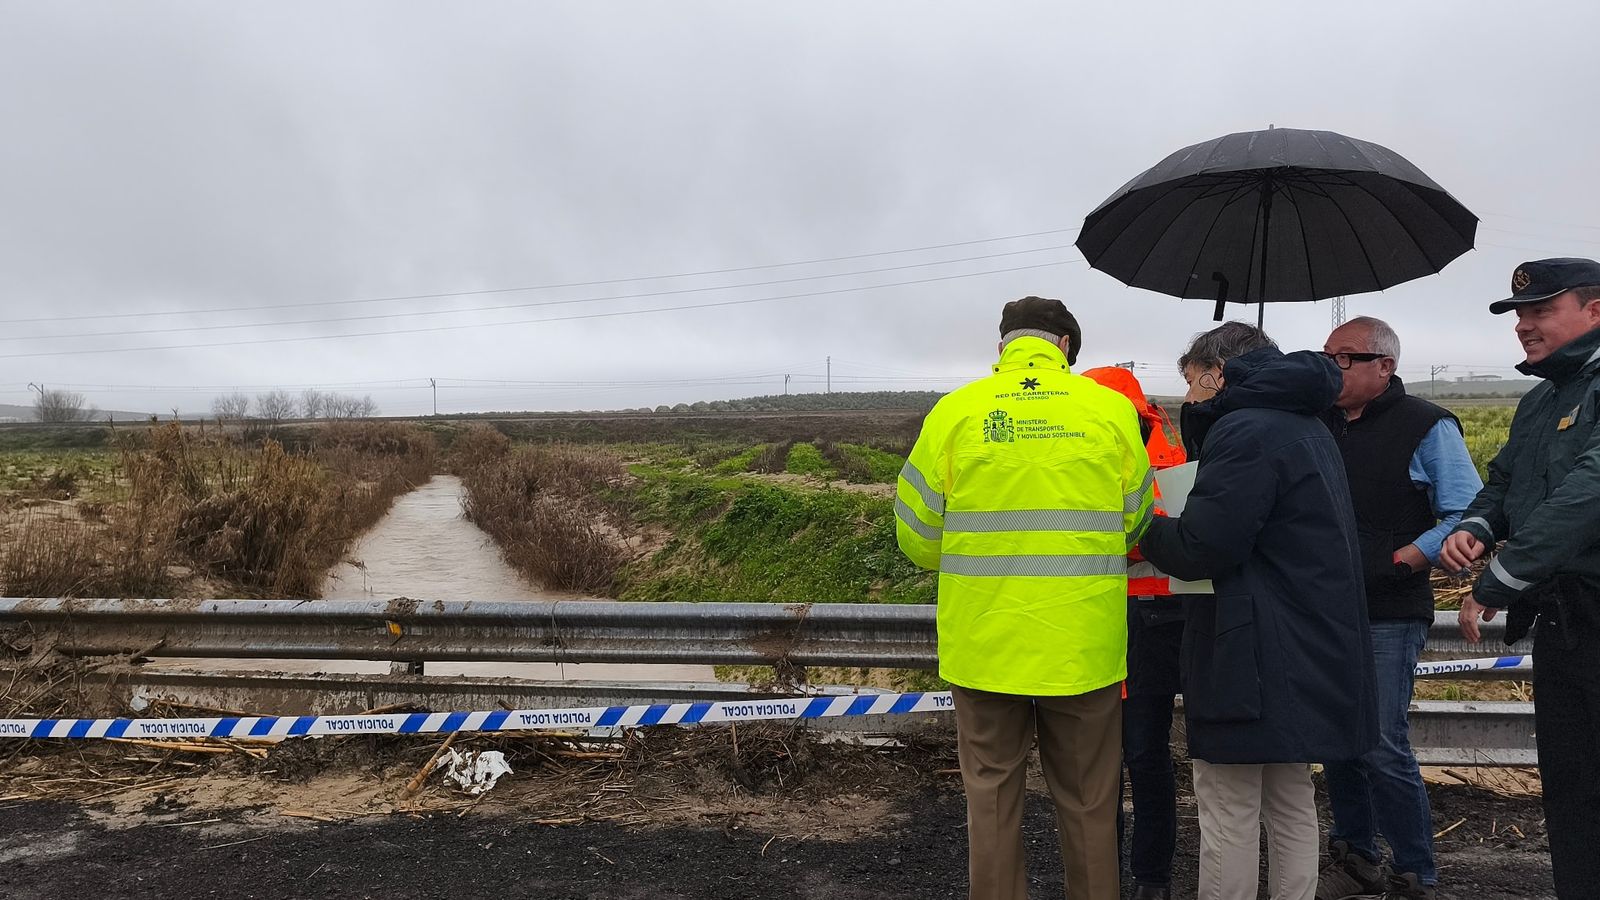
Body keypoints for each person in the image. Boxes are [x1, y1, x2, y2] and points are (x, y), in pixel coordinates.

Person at [897, 296, 1153, 900]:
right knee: (1091, 804)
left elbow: (915, 534)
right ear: (1065, 347)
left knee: (989, 800)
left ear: (1005, 346)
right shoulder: (1110, 411)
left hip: (985, 645)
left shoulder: (956, 413)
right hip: (1082, 651)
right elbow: (1136, 522)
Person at [1138, 321, 1378, 900]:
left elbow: (1205, 547)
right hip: (1303, 642)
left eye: (1194, 382)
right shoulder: (1306, 423)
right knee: (1291, 795)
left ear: (1218, 374)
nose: (1189, 397)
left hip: (1251, 649)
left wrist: (1143, 529)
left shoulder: (1245, 431)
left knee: (1227, 802)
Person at [1444, 258, 1600, 898]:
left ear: (1595, 310)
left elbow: (1587, 493)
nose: (1525, 326)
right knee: (1572, 784)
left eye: (1541, 311)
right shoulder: (1541, 399)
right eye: (1519, 315)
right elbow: (1505, 482)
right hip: (1564, 621)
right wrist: (1478, 525)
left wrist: (1499, 577)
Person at [1314, 317, 1483, 900]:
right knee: (1338, 737)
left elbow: (1465, 511)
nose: (1329, 367)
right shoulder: (1321, 423)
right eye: (1325, 356)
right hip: (1328, 606)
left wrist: (1407, 558)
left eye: (1343, 358)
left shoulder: (1427, 425)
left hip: (1389, 607)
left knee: (1382, 741)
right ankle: (1355, 856)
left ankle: (1415, 869)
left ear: (1383, 366)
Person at [1083, 365, 1187, 900]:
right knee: (1121, 758)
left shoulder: (1160, 457)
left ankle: (1149, 880)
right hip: (1115, 617)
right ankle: (1117, 879)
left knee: (1140, 754)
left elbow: (1153, 531)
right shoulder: (1161, 448)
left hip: (1144, 622)